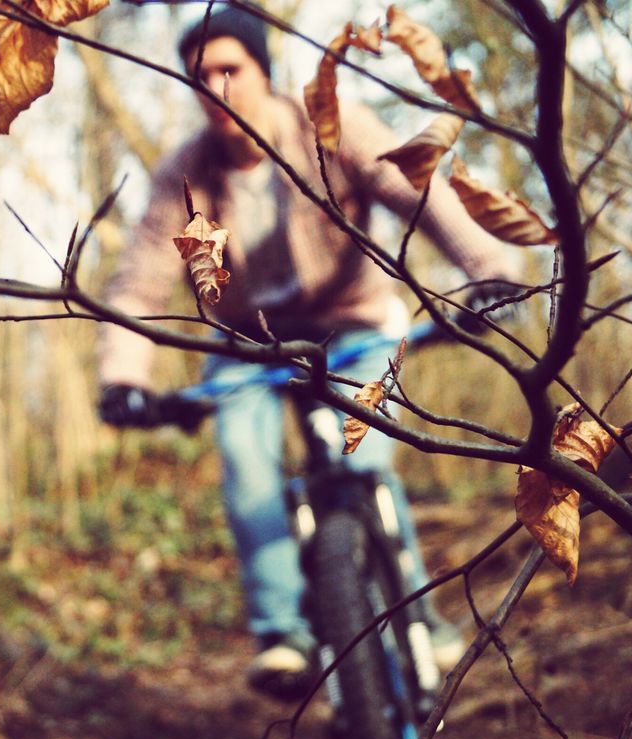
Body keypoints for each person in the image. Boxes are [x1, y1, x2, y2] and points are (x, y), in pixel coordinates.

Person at [96, 9, 520, 699]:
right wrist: (123, 377)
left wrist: (487, 270)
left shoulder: (330, 125)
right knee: (245, 459)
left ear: (264, 72)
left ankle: (419, 616)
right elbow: (140, 281)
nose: (216, 87)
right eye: (200, 77)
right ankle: (282, 632)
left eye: (230, 69)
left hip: (353, 329)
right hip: (248, 348)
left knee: (362, 455)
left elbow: (416, 189)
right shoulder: (186, 174)